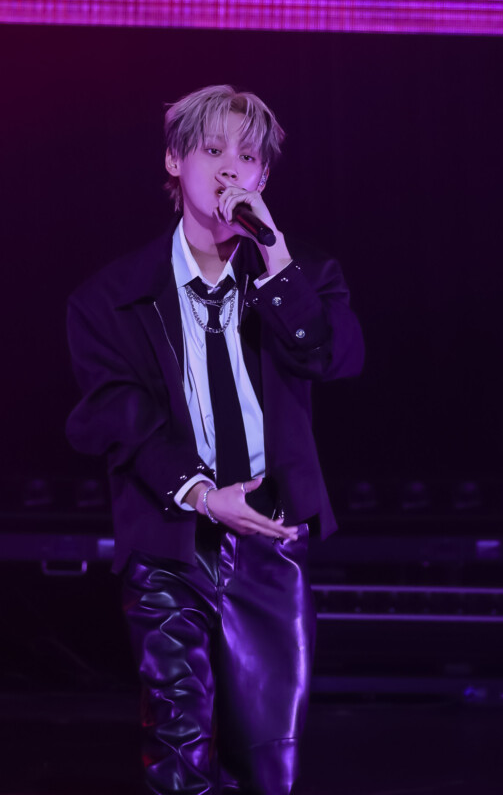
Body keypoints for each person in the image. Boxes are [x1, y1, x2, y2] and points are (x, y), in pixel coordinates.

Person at [66, 84, 364, 795]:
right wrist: (201, 493)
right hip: (171, 545)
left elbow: (333, 356)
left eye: (249, 156)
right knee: (179, 750)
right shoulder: (111, 297)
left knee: (267, 763)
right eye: (212, 149)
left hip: (270, 541)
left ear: (263, 177)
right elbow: (117, 415)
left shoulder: (302, 275)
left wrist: (276, 257)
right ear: (174, 161)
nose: (232, 167)